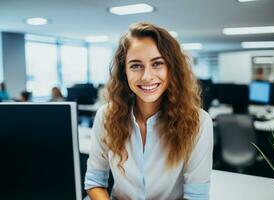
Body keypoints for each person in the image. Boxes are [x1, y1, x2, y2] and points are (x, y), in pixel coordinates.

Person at [84, 22, 213, 200]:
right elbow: (94, 182)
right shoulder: (106, 116)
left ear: (172, 68)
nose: (146, 76)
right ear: (124, 72)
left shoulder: (198, 121)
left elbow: (196, 197)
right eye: (136, 65)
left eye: (157, 63)